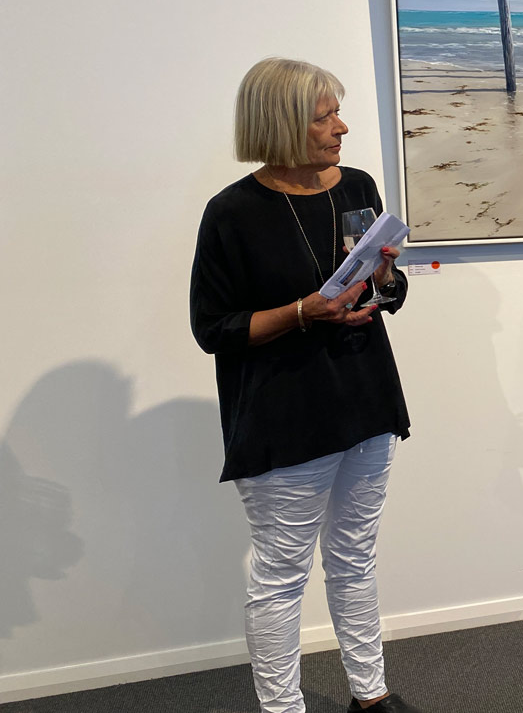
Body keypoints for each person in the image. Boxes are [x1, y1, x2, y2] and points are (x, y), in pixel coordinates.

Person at [190, 58, 422, 713]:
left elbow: (388, 296)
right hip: (285, 417)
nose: (341, 127)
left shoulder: (357, 187)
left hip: (366, 399)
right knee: (281, 578)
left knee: (354, 558)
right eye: (326, 117)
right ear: (285, 123)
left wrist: (384, 281)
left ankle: (370, 696)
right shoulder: (231, 214)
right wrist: (302, 312)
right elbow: (213, 329)